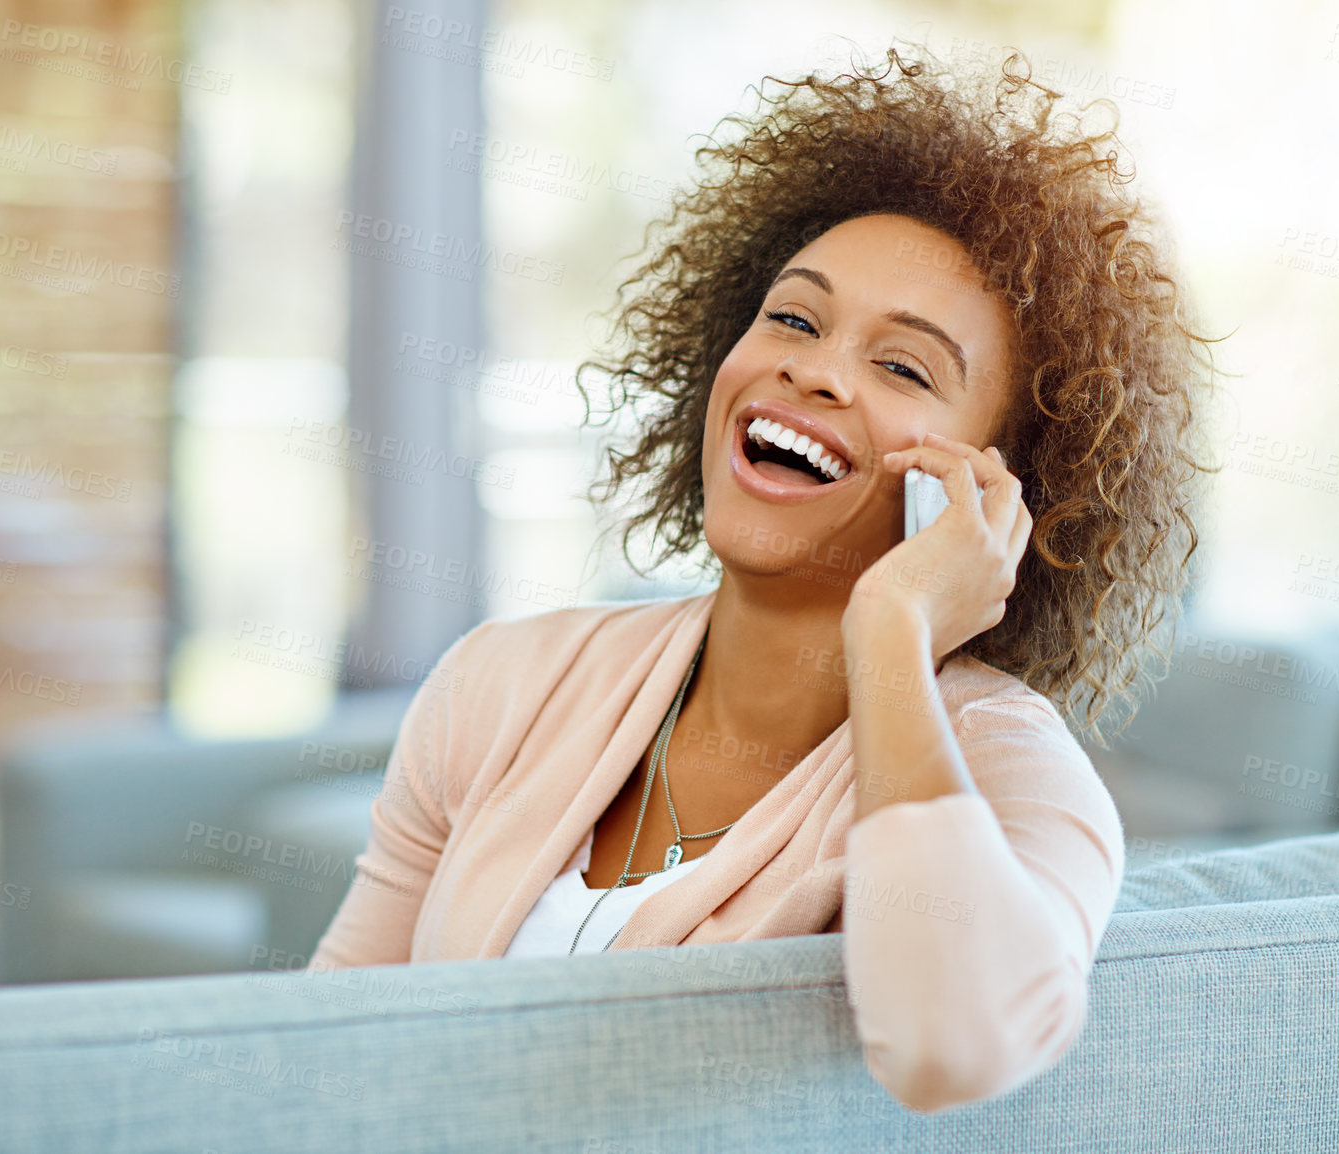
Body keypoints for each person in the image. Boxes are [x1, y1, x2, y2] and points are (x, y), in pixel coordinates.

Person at [308, 42, 1215, 1113]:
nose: (812, 368)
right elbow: (331, 1043)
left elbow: (951, 1047)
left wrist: (891, 630)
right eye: (793, 317)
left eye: (903, 366)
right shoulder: (505, 678)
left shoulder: (1017, 774)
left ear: (1000, 491)